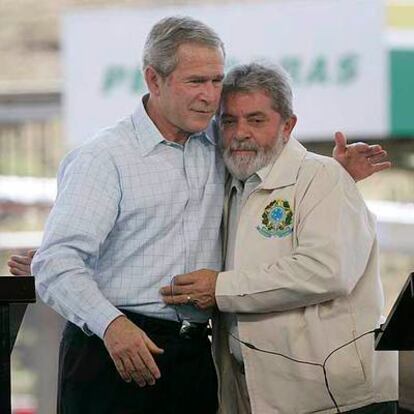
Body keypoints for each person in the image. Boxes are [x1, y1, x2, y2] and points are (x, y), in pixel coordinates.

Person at [7, 17, 391, 414]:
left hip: (197, 355)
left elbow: (271, 165)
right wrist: (111, 324)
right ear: (154, 80)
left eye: (215, 81)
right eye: (196, 82)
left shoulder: (219, 144)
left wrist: (332, 174)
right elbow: (59, 261)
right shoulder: (103, 158)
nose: (210, 96)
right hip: (114, 347)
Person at [160, 63, 398, 413]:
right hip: (258, 397)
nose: (240, 132)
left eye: (256, 120)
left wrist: (219, 289)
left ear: (288, 125)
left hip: (338, 401)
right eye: (229, 121)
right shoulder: (228, 184)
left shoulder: (324, 177)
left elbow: (326, 271)